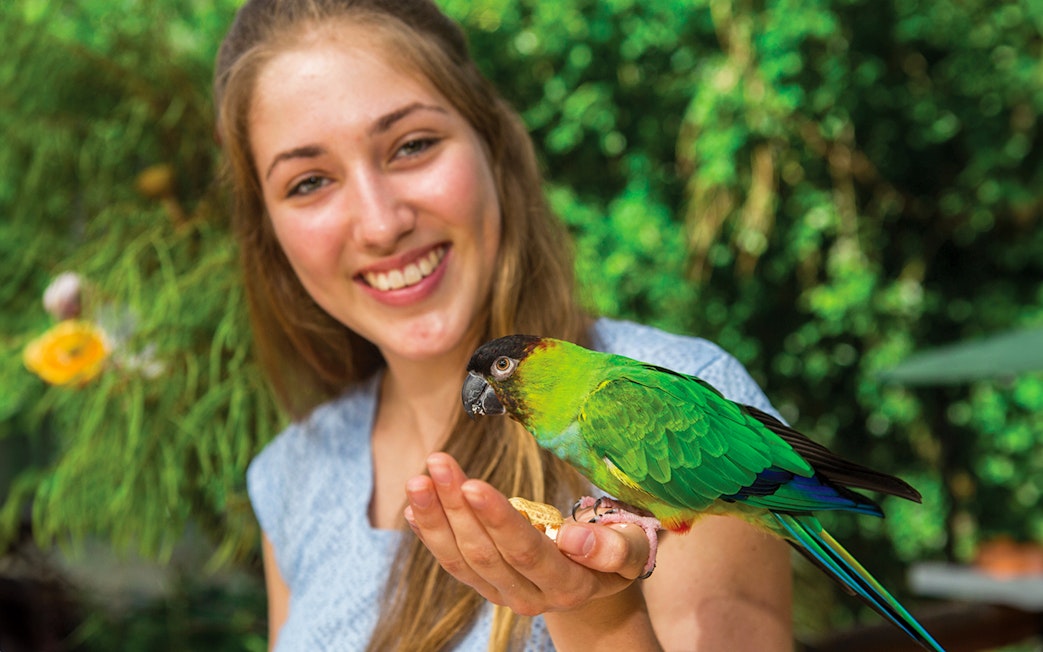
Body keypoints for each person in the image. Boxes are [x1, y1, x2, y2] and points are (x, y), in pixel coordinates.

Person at [213, 0, 793, 649]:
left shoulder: (682, 397)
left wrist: (592, 612)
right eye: (309, 181)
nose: (380, 224)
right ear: (267, 231)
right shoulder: (292, 470)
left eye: (412, 145)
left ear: (494, 146)